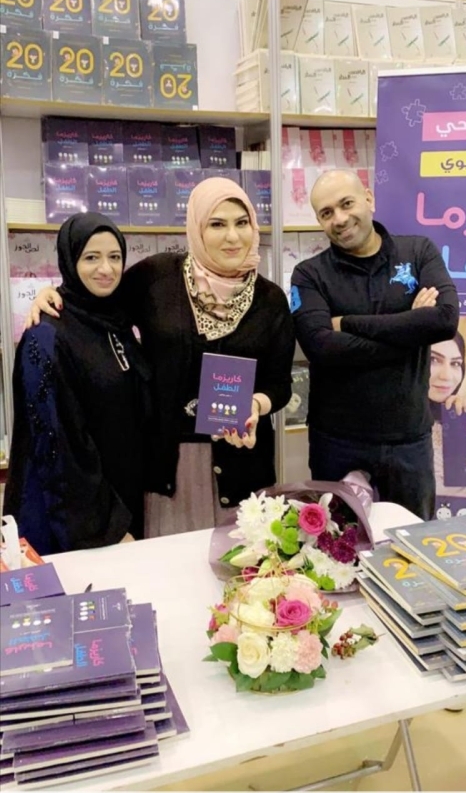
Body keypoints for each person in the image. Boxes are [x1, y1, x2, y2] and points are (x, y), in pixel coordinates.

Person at [26, 178, 295, 535]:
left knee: (239, 563)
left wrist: (256, 405)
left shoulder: (271, 300)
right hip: (168, 466)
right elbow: (97, 302)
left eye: (241, 222)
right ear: (197, 227)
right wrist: (53, 294)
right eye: (217, 224)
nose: (233, 236)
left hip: (242, 463)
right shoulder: (157, 277)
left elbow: (280, 384)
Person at [290, 169, 459, 520]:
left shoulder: (418, 251)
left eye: (346, 203)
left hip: (409, 440)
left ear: (369, 198)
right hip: (336, 442)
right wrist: (412, 330)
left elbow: (444, 320)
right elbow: (321, 347)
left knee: (411, 542)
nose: (339, 219)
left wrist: (348, 323)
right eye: (326, 213)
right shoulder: (308, 275)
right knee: (335, 545)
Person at [4, 213, 151, 554]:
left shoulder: (115, 322)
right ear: (70, 260)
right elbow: (57, 449)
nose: (106, 269)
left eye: (115, 257)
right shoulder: (46, 335)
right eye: (91, 257)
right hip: (74, 521)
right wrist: (109, 527)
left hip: (122, 500)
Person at [429, 333, 466, 510]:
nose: (446, 376)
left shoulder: (464, 418)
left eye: (455, 363)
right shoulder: (388, 424)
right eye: (433, 360)